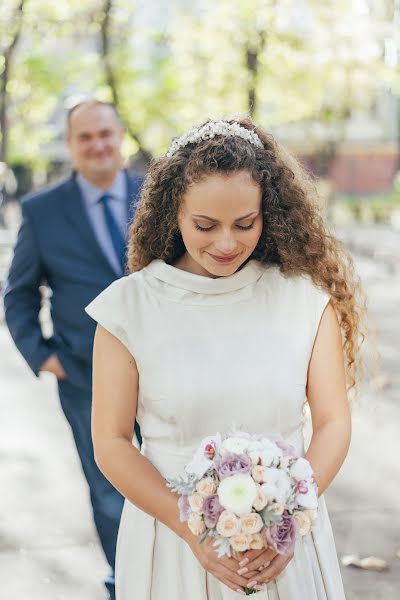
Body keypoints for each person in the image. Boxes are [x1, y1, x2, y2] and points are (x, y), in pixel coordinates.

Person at [85, 117, 365, 599]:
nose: (227, 243)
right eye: (205, 225)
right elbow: (110, 442)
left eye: (245, 223)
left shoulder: (304, 300)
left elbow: (334, 422)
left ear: (268, 213)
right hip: (171, 544)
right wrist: (191, 528)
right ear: (173, 212)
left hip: (285, 547)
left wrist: (291, 517)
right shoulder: (127, 307)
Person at [3, 100, 144, 600]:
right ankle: (127, 582)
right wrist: (43, 356)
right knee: (109, 491)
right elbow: (18, 293)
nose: (98, 145)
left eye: (105, 133)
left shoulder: (159, 194)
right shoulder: (42, 211)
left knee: (179, 475)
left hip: (166, 372)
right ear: (71, 145)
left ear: (120, 133)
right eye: (85, 137)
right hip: (87, 377)